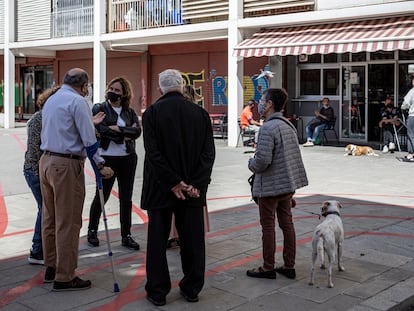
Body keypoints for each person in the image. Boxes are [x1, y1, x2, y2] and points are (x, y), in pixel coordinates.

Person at [141, 69, 215, 306]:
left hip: (161, 186)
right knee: (193, 239)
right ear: (182, 86)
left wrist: (173, 182)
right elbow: (208, 155)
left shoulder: (151, 113)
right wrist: (195, 184)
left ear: (160, 88)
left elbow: (153, 153)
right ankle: (192, 287)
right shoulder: (201, 113)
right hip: (193, 189)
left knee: (157, 240)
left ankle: (158, 291)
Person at [39, 68, 113, 291]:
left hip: (46, 160)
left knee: (49, 218)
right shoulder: (78, 101)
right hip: (66, 164)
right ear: (84, 86)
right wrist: (100, 165)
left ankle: (51, 266)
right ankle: (65, 275)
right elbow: (89, 140)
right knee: (68, 221)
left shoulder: (53, 99)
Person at [246, 88, 308, 280]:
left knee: (268, 227)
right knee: (287, 224)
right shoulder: (287, 126)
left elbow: (262, 161)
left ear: (270, 103)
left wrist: (251, 163)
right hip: (286, 185)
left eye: (262, 100)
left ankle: (268, 267)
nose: (260, 103)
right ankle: (289, 265)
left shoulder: (268, 128)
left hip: (270, 187)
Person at [87, 77, 141, 250]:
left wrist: (119, 129)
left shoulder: (129, 112)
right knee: (102, 196)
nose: (113, 92)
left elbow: (137, 131)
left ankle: (126, 235)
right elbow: (101, 130)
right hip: (106, 158)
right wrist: (123, 134)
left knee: (126, 198)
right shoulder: (100, 108)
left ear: (124, 93)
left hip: (128, 158)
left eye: (117, 90)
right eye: (111, 88)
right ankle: (92, 230)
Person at [167, 84, 210, 249]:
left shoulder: (187, 114)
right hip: (195, 169)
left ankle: (176, 234)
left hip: (182, 168)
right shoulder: (200, 114)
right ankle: (186, 235)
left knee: (180, 200)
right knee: (191, 202)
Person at [24, 86, 61, 265]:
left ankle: (43, 248)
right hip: (35, 171)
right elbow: (33, 150)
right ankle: (37, 250)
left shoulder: (51, 118)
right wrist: (43, 172)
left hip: (43, 170)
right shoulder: (39, 119)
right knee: (45, 209)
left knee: (47, 209)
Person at [401, 75, 414, 161]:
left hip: (413, 115)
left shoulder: (412, 91)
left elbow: (405, 103)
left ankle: (411, 154)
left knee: (411, 135)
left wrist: (403, 107)